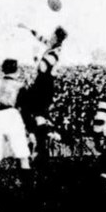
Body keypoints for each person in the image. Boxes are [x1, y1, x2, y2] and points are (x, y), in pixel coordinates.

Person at [18, 24, 68, 164]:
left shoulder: (55, 53)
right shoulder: (51, 46)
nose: (49, 38)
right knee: (37, 114)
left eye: (52, 36)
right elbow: (40, 38)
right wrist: (27, 28)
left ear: (57, 39)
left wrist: (35, 57)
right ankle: (41, 142)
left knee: (25, 105)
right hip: (43, 85)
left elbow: (42, 68)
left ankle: (41, 138)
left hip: (44, 85)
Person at [0, 59, 32, 194]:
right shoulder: (19, 85)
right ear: (16, 70)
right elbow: (26, 109)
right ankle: (28, 190)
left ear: (2, 69)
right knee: (22, 154)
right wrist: (30, 128)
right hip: (11, 114)